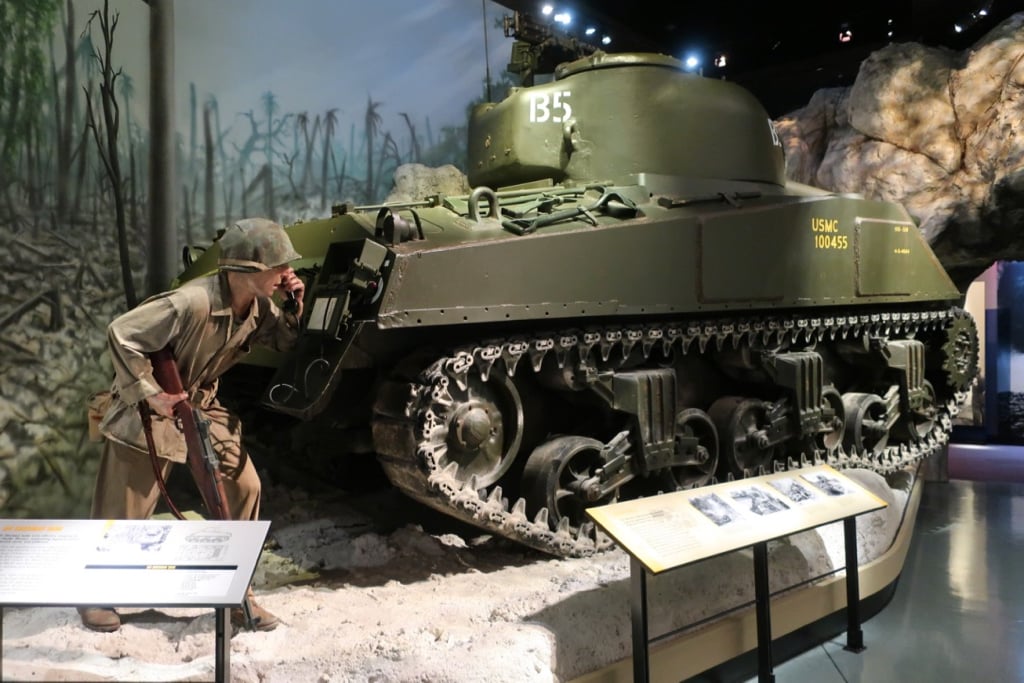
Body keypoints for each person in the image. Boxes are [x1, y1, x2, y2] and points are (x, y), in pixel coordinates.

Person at [79, 218, 305, 633]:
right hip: (150, 408)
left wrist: (294, 305)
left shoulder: (260, 308)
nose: (285, 274)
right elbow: (122, 332)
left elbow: (289, 344)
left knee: (246, 486)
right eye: (278, 267)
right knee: (126, 506)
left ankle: (238, 590)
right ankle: (97, 594)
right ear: (247, 270)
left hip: (201, 403)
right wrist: (150, 394)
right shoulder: (191, 301)